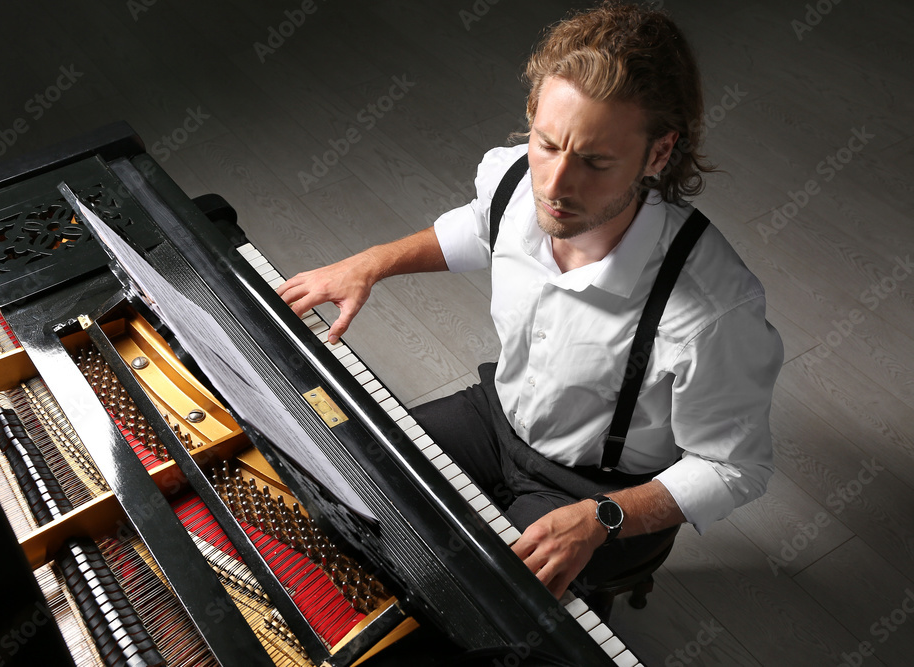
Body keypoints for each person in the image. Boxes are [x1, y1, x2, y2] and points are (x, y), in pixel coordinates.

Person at [276, 2, 782, 601]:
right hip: (498, 419)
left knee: (464, 603)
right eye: (546, 144)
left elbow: (735, 467)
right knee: (347, 478)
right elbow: (483, 225)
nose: (555, 185)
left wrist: (602, 519)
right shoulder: (520, 179)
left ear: (658, 153)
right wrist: (370, 263)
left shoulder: (712, 310)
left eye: (595, 162)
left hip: (598, 486)